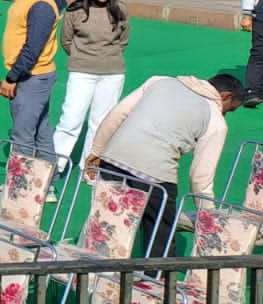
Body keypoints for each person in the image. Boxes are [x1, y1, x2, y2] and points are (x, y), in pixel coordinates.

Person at [86, 73, 243, 260]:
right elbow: (201, 177)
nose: (225, 114)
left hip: (112, 160)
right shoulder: (216, 121)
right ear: (225, 97)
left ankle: (95, 277)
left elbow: (118, 114)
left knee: (105, 224)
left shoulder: (159, 81)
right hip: (155, 175)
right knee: (161, 236)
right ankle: (158, 283)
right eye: (228, 110)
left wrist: (97, 151)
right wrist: (207, 214)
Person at [51, 0, 128, 171]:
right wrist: (81, 57)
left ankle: (91, 166)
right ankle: (55, 165)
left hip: (112, 74)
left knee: (101, 123)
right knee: (71, 119)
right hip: (82, 72)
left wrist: (107, 56)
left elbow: (123, 41)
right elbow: (66, 41)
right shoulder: (75, 11)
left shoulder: (120, 10)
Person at [0, 0, 61, 169]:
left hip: (32, 77)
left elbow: (32, 48)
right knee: (41, 131)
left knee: (22, 136)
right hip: (32, 76)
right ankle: (46, 185)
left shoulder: (40, 3)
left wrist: (12, 77)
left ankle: (19, 192)